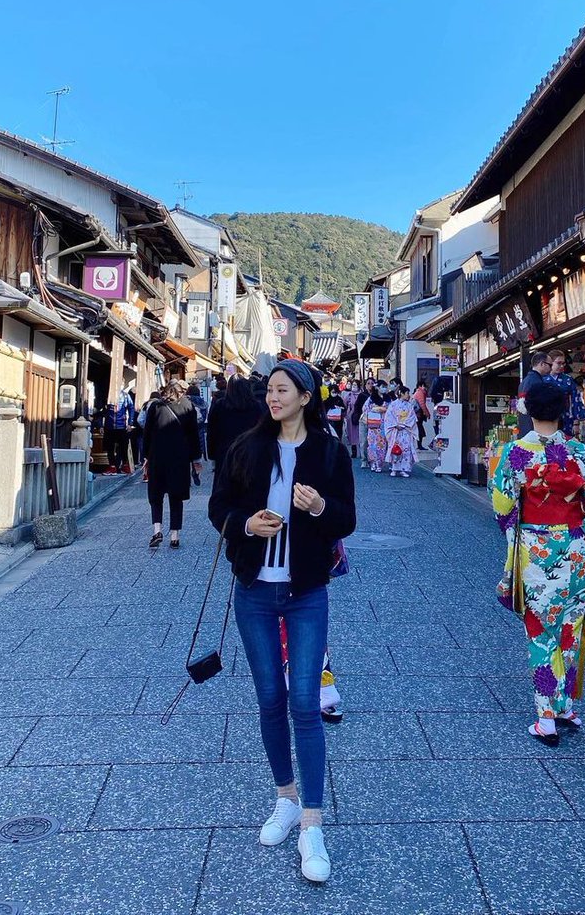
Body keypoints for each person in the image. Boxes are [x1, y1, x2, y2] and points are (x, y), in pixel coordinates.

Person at [208, 358, 356, 884]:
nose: (272, 398)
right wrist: (244, 523)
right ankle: (285, 798)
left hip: (305, 592)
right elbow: (218, 507)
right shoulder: (246, 448)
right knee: (269, 698)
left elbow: (348, 517)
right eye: (269, 390)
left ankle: (312, 825)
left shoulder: (330, 451)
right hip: (254, 591)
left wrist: (318, 508)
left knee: (304, 703)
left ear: (305, 396)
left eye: (282, 390)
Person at [491, 379, 585, 747]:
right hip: (576, 550)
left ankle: (545, 717)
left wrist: (520, 524)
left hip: (537, 551)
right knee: (570, 628)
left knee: (540, 633)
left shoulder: (515, 453)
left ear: (527, 410)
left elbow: (502, 505)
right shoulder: (577, 451)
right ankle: (565, 706)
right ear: (562, 413)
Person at [143, 380, 202, 549]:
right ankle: (175, 535)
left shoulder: (156, 407)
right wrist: (195, 459)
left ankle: (157, 530)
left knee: (156, 495)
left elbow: (147, 433)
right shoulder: (187, 406)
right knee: (176, 496)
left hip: (157, 456)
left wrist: (145, 456)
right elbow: (193, 435)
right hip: (179, 457)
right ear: (181, 392)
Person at [207, 375, 263, 479]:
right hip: (249, 452)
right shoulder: (256, 406)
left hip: (224, 452)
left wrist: (212, 453)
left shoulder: (220, 406)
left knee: (224, 487)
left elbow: (212, 431)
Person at [548, 350, 585, 439]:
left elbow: (576, 400)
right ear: (550, 362)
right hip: (547, 419)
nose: (561, 366)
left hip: (566, 418)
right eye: (559, 363)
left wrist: (576, 422)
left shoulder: (567, 380)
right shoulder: (542, 379)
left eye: (563, 363)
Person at [514, 352, 552, 438]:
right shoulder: (537, 382)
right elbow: (539, 408)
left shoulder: (525, 381)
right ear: (542, 364)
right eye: (550, 365)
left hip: (524, 428)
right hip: (534, 429)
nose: (551, 368)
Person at [384, 385, 418, 478]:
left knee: (406, 450)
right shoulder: (393, 404)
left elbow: (412, 418)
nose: (408, 395)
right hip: (396, 430)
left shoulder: (409, 406)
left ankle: (404, 469)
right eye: (407, 393)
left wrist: (404, 424)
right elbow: (388, 417)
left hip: (406, 430)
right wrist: (396, 425)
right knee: (396, 449)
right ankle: (394, 468)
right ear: (401, 394)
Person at [103, 388, 135, 473]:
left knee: (123, 447)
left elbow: (131, 408)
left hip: (121, 425)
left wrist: (130, 423)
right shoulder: (108, 394)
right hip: (110, 425)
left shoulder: (125, 395)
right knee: (110, 447)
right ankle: (112, 466)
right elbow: (103, 409)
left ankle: (123, 464)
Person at [365, 389, 389, 473]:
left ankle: (379, 464)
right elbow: (365, 409)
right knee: (372, 445)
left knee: (381, 445)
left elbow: (390, 410)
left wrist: (384, 409)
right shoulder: (371, 398)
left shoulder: (387, 398)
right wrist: (376, 409)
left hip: (382, 425)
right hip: (373, 424)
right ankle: (372, 463)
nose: (383, 388)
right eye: (382, 386)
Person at [187, 382, 209, 460]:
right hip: (200, 431)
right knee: (198, 457)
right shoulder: (204, 403)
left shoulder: (187, 402)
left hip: (188, 432)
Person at [342, 380, 361, 459]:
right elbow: (344, 404)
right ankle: (354, 452)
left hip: (360, 416)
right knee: (352, 434)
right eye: (353, 385)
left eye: (355, 385)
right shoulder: (349, 395)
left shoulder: (361, 395)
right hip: (351, 417)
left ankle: (362, 452)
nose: (353, 386)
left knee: (360, 434)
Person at [412, 377, 430, 451]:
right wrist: (427, 413)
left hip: (418, 415)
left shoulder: (419, 392)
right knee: (420, 430)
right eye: (425, 386)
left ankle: (419, 445)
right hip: (418, 415)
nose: (425, 388)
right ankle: (419, 445)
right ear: (421, 385)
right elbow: (422, 404)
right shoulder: (420, 393)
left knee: (419, 429)